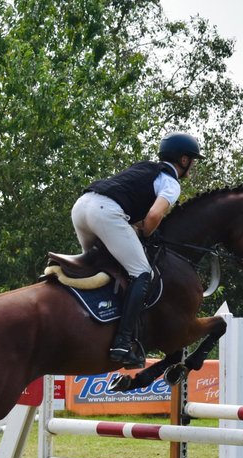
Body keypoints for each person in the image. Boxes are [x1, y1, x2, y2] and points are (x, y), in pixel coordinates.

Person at [71, 132, 202, 367]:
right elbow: (153, 215)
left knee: (98, 265)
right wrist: (146, 233)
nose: (191, 166)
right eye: (192, 160)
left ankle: (94, 318)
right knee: (142, 272)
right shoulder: (170, 182)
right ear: (183, 160)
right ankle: (122, 341)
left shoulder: (144, 167)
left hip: (81, 207)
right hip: (105, 212)